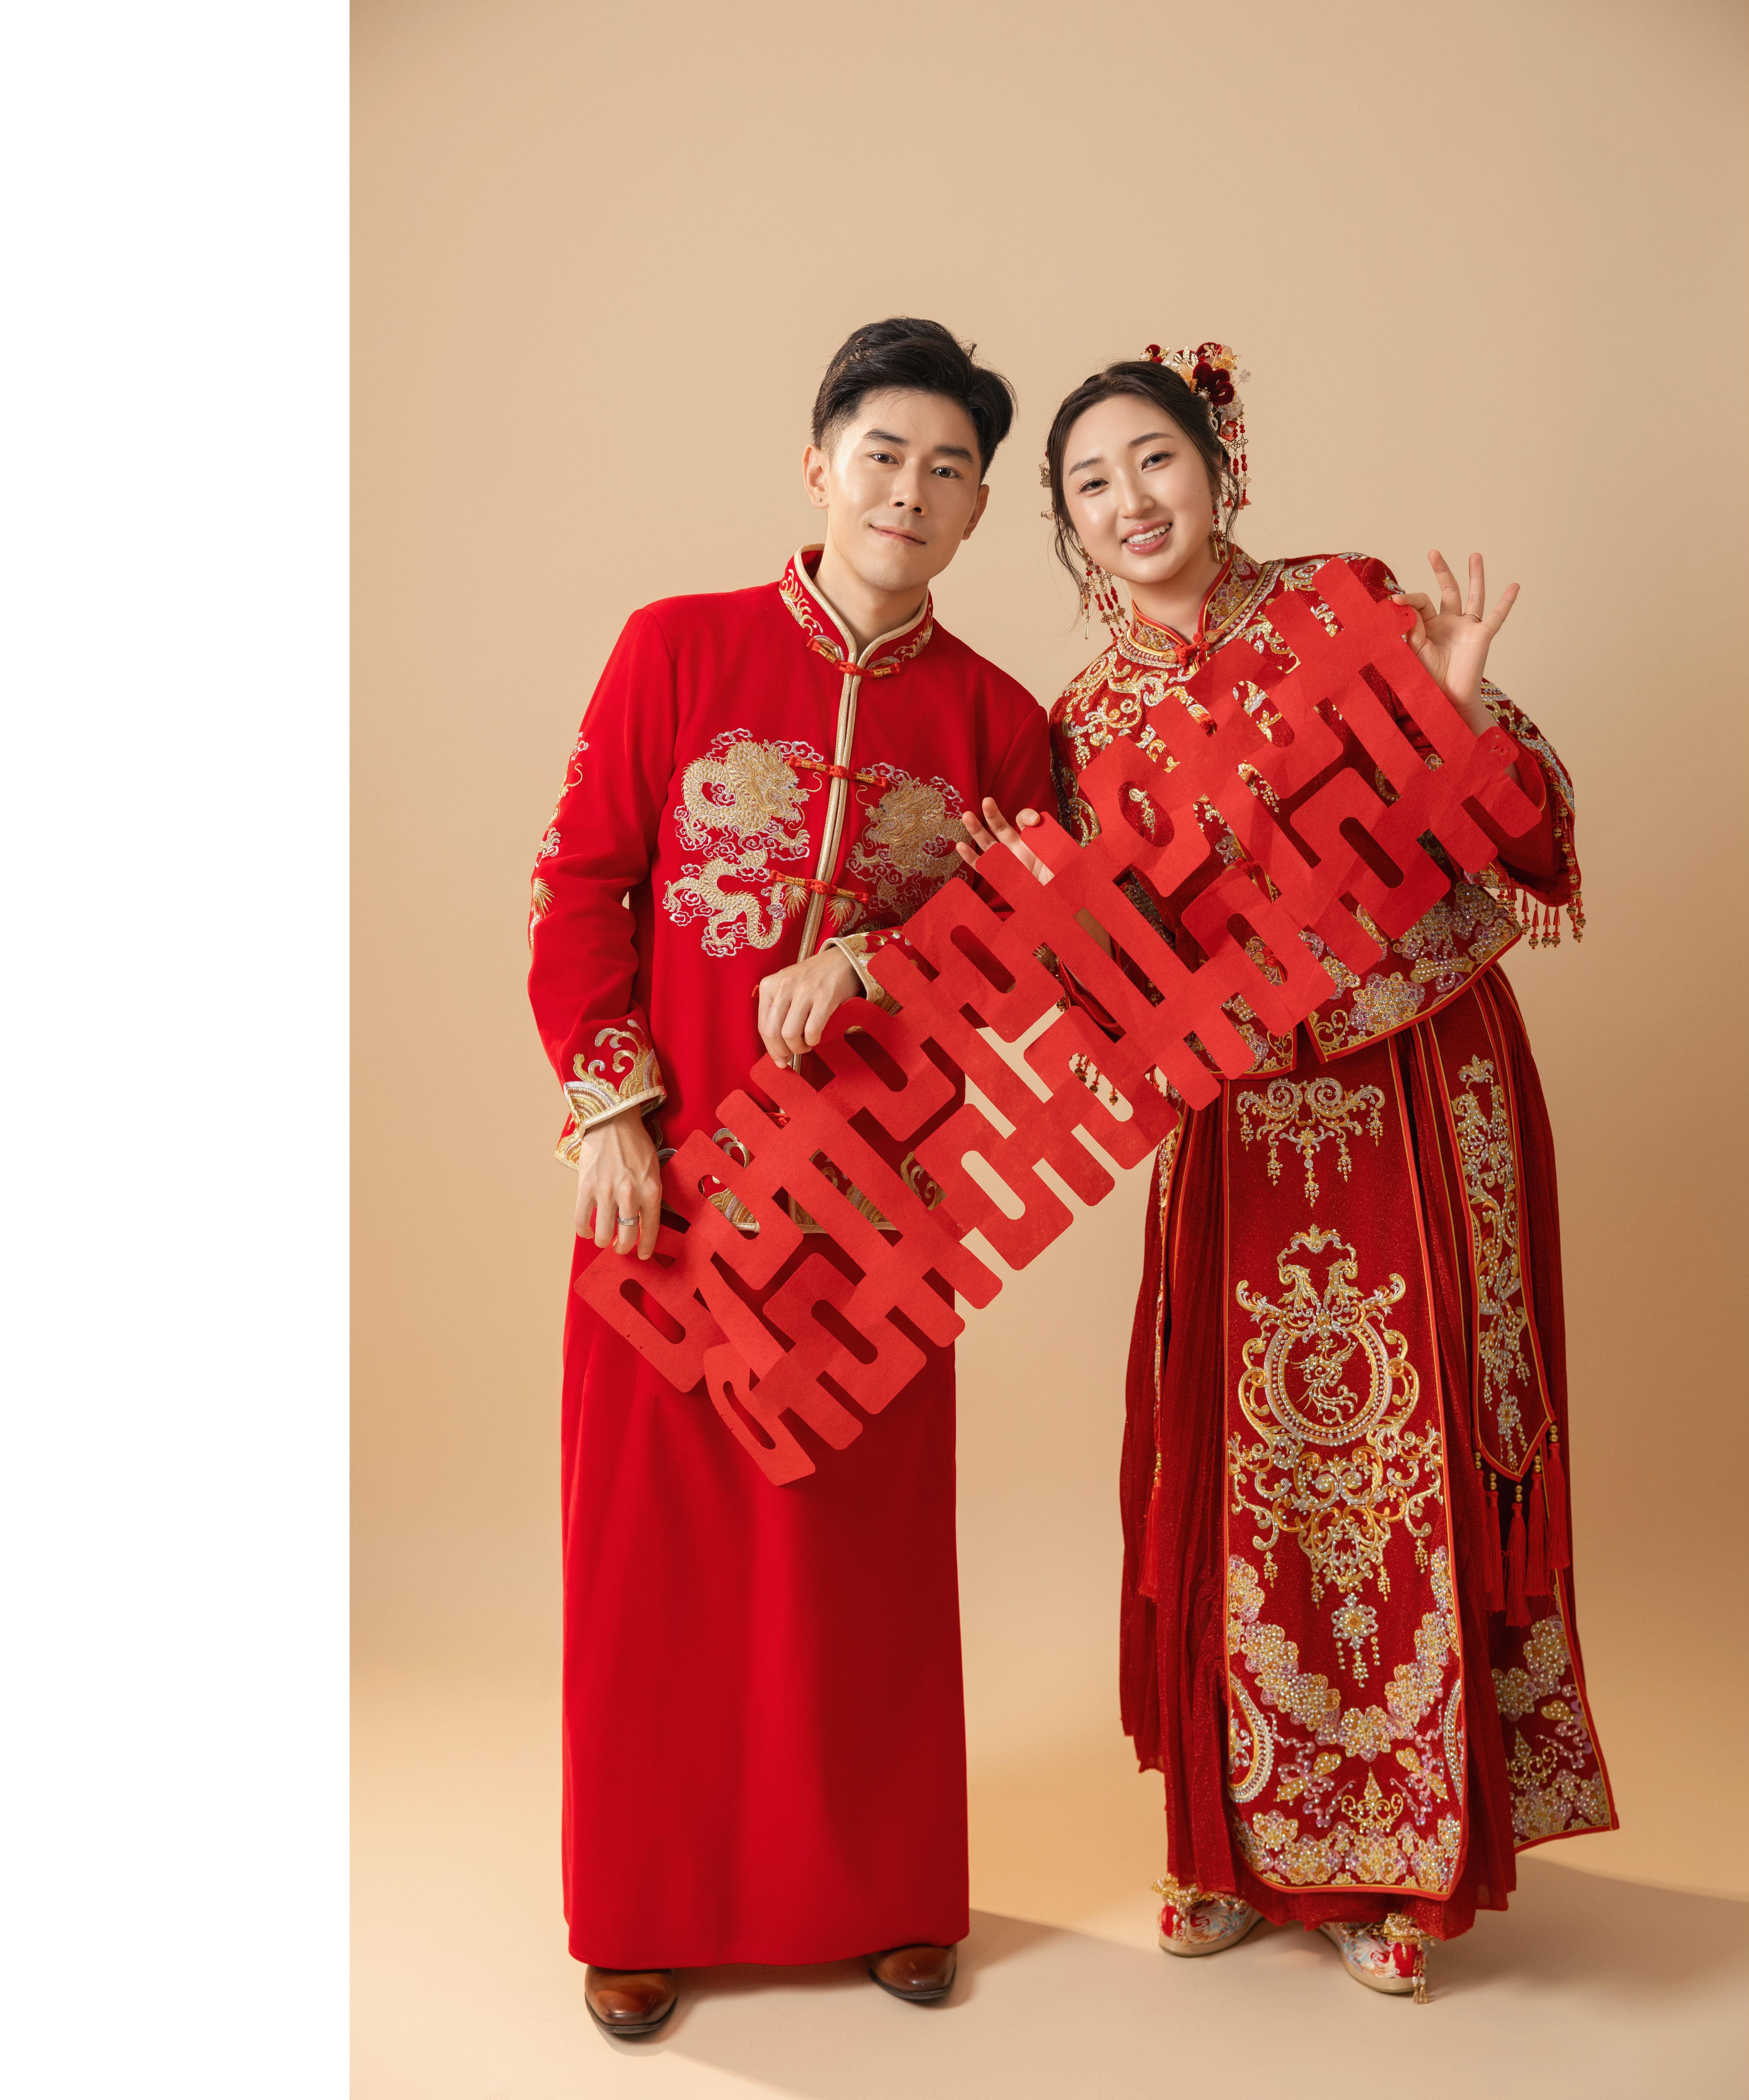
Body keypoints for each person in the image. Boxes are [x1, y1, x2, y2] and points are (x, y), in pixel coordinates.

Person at [960, 344, 1614, 2000]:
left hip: (1417, 1074)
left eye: (1154, 461)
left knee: (1417, 1453)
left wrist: (1462, 712)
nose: (1130, 502)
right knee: (1242, 1472)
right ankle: (1239, 1852)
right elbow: (1111, 1005)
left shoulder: (1346, 608)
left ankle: (1407, 1868)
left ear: (1218, 465)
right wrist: (1040, 910)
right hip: (1238, 1126)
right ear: (1066, 524)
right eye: (1090, 484)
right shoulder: (1079, 729)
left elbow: (1537, 832)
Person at [526, 317, 1054, 2034]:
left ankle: (883, 1896)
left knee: (858, 1568)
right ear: (818, 464)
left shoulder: (1000, 723)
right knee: (653, 1563)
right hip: (671, 1193)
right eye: (882, 453)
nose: (910, 491)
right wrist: (610, 1110)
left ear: (979, 512)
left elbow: (1034, 958)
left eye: (949, 469)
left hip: (873, 1215)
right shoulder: (675, 648)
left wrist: (887, 963)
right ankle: (642, 1905)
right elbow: (579, 885)